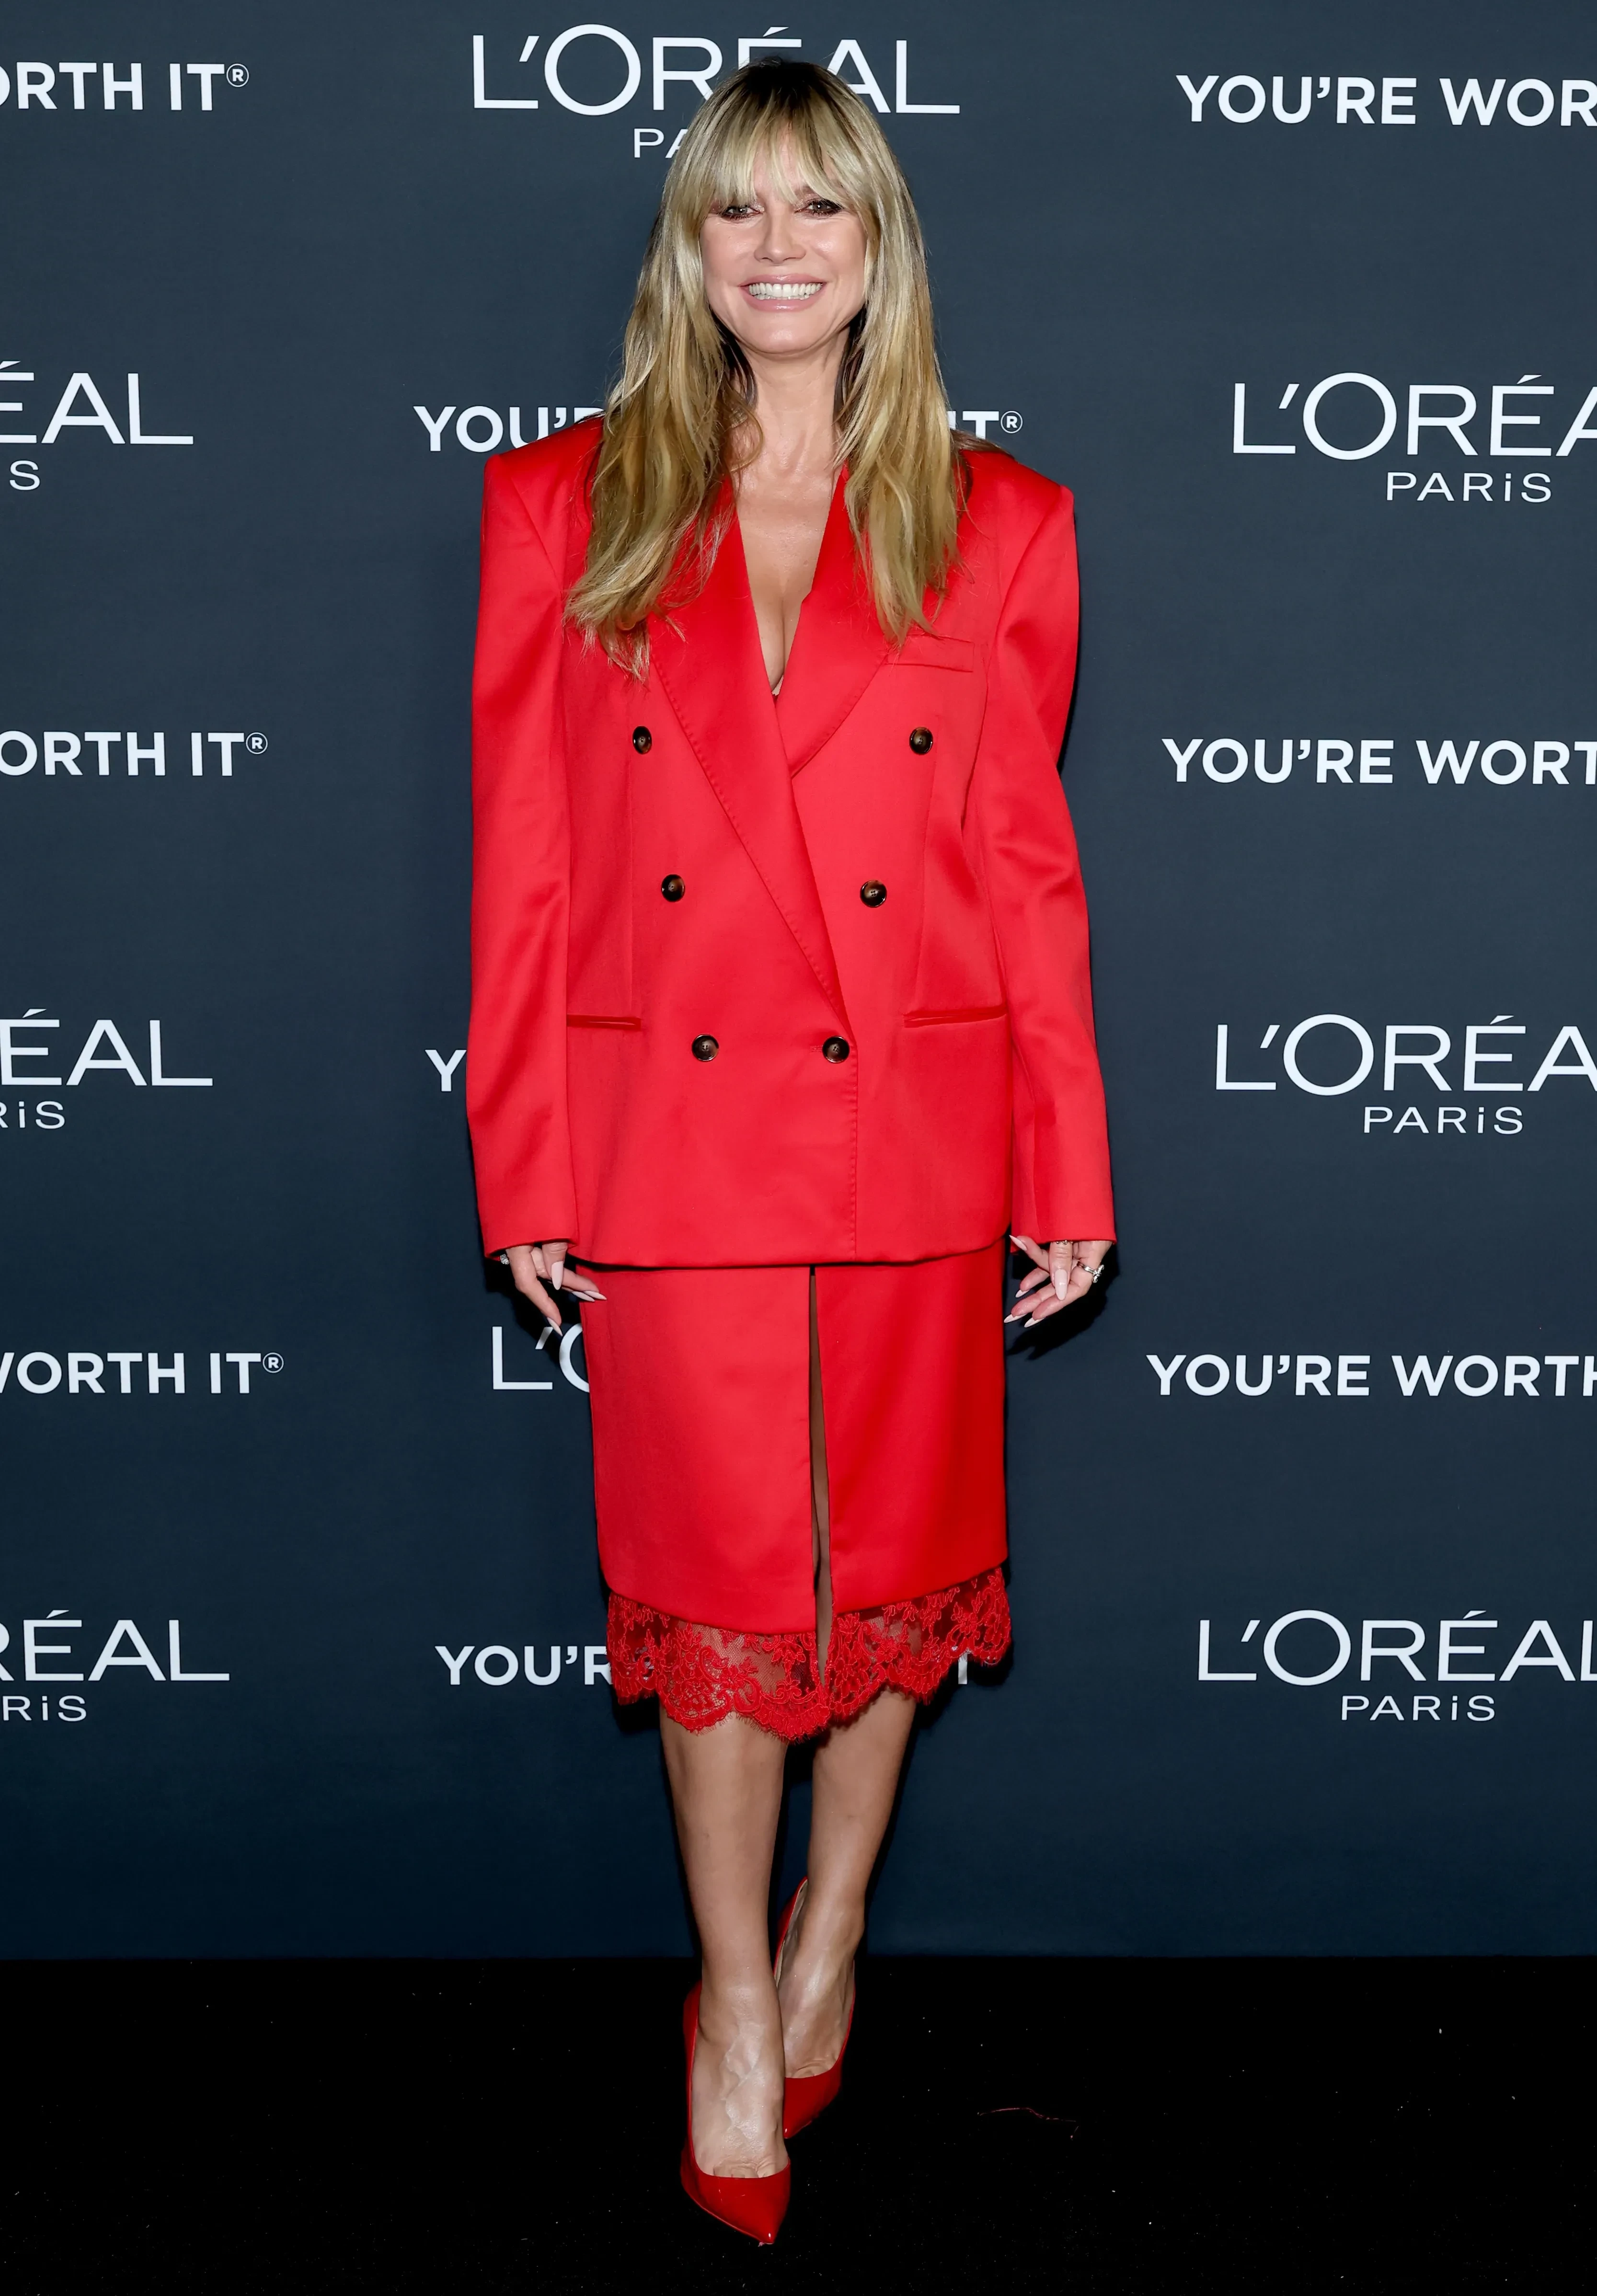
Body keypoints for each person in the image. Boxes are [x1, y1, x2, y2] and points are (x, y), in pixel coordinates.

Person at [466, 57, 1114, 2244]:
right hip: (669, 1139)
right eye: (733, 209)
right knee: (723, 1587)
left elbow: (1025, 871)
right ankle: (732, 2003)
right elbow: (526, 866)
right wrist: (526, 1163)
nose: (773, 248)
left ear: (875, 245)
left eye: (815, 207)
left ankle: (832, 1932)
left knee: (890, 1576)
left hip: (912, 1128)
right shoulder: (560, 506)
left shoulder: (999, 519)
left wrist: (1065, 1161)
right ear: (688, 246)